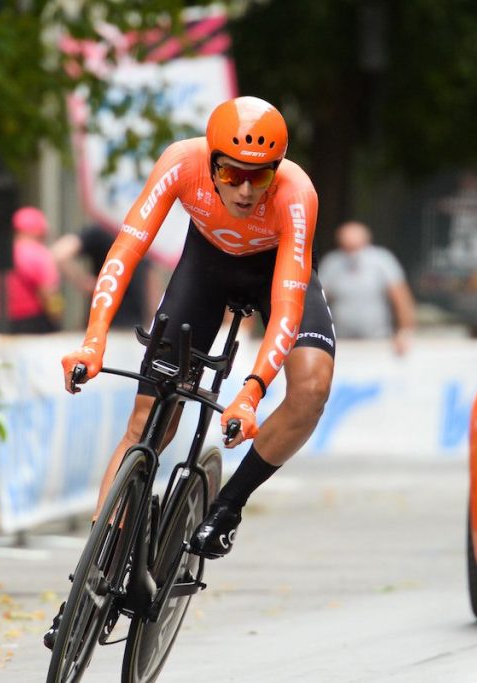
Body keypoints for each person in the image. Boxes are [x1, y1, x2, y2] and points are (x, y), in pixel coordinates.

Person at [47, 96, 334, 647]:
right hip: (205, 270)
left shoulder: (297, 193)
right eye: (231, 174)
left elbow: (287, 306)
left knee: (313, 387)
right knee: (147, 421)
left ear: (276, 172)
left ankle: (227, 506)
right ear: (211, 163)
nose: (245, 191)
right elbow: (126, 249)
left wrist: (252, 391)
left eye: (259, 177)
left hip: (274, 273)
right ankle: (88, 583)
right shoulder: (181, 161)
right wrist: (93, 340)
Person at [318, 220, 416, 354]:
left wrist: (404, 332)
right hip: (342, 342)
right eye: (347, 245)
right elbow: (319, 299)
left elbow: (401, 299)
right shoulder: (332, 262)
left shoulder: (382, 260)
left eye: (355, 245)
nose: (352, 250)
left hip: (378, 341)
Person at [51, 224, 163, 329]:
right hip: (132, 325)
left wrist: (85, 282)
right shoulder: (144, 234)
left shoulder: (104, 230)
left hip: (101, 322)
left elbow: (59, 253)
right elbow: (152, 283)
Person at [0, 207, 63, 334]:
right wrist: (57, 318)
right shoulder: (39, 253)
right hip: (34, 324)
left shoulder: (0, 254)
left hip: (0, 322)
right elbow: (49, 292)